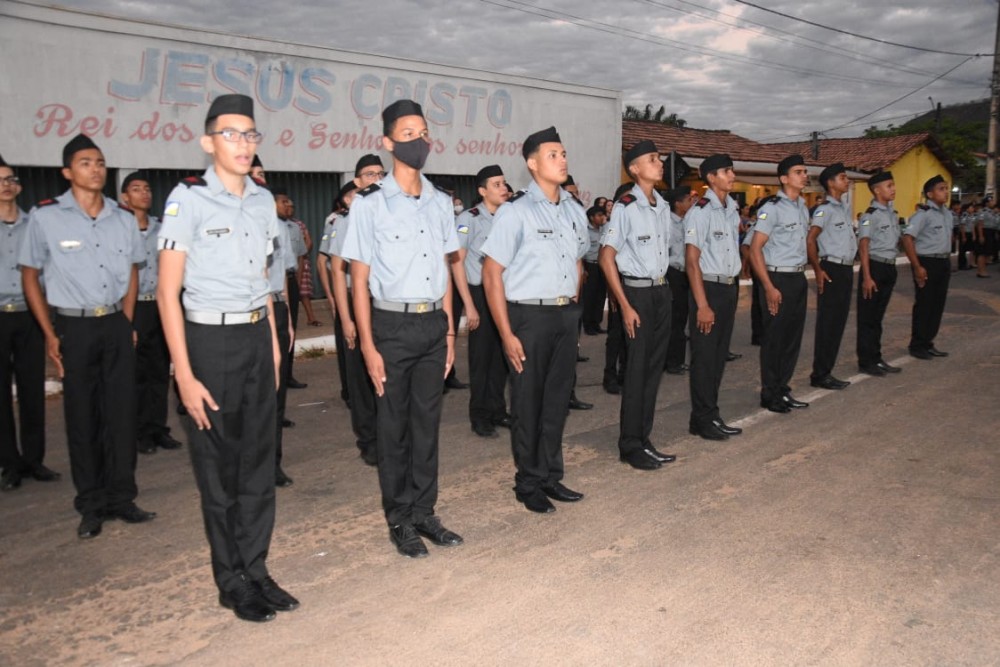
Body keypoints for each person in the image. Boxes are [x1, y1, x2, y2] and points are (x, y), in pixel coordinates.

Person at [157, 94, 298, 622]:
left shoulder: (263, 201)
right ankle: (232, 579)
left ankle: (257, 568)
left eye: (250, 134)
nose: (242, 143)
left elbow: (263, 282)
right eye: (231, 134)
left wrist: (275, 354)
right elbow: (168, 294)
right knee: (219, 473)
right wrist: (185, 375)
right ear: (208, 141)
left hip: (256, 338)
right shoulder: (186, 200)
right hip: (207, 344)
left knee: (259, 465)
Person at [340, 99, 464, 558]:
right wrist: (367, 345)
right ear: (389, 143)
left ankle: (424, 511)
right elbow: (357, 279)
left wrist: (449, 332)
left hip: (433, 323)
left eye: (424, 132)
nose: (419, 141)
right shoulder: (370, 205)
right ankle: (399, 518)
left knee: (427, 424)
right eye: (408, 134)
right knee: (393, 428)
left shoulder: (438, 202)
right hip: (390, 325)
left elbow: (449, 269)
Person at [19, 134, 154, 538]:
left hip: (114, 322)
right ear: (67, 172)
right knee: (81, 415)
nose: (95, 169)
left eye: (99, 162)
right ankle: (91, 503)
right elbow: (30, 276)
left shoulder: (122, 217)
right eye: (85, 162)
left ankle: (122, 496)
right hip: (73, 326)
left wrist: (127, 321)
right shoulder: (45, 218)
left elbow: (133, 270)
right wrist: (49, 333)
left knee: (120, 412)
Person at [481, 126, 589, 514]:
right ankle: (527, 483)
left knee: (557, 401)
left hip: (564, 314)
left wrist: (573, 307)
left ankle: (550, 476)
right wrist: (506, 331)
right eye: (553, 154)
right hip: (528, 316)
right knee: (528, 403)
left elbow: (578, 260)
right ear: (532, 163)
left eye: (564, 153)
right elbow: (491, 272)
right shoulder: (516, 211)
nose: (562, 160)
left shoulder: (574, 211)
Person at [599, 140, 676, 471]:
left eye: (659, 159)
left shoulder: (661, 206)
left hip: (661, 292)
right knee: (636, 371)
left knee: (653, 371)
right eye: (652, 160)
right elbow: (606, 257)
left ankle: (643, 439)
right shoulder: (625, 206)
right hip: (638, 294)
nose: (659, 164)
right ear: (634, 169)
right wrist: (624, 303)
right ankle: (630, 445)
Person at [0, 157, 59, 491]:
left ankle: (34, 459)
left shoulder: (34, 224)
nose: (7, 185)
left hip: (29, 315)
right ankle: (9, 462)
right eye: (1, 179)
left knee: (32, 388)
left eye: (11, 179)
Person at [121, 171, 183, 454]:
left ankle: (159, 429)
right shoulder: (119, 228)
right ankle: (139, 432)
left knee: (159, 371)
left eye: (147, 188)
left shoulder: (162, 228)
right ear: (125, 197)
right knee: (136, 373)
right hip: (132, 306)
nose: (144, 193)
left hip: (160, 305)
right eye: (136, 189)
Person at [684, 154, 744, 441]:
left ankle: (711, 414)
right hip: (707, 290)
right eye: (726, 171)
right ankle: (702, 419)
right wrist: (703, 305)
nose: (732, 175)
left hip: (728, 288)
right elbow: (692, 261)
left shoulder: (731, 208)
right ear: (710, 177)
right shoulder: (701, 211)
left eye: (732, 170)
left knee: (718, 357)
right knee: (705, 358)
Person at [748, 155, 810, 414]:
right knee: (774, 339)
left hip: (797, 277)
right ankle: (769, 393)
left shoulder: (803, 207)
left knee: (792, 338)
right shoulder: (771, 208)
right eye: (798, 171)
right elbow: (754, 249)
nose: (804, 175)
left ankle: (783, 388)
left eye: (805, 171)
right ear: (784, 179)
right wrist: (769, 286)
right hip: (777, 278)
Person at [453, 165, 509, 438]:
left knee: (502, 355)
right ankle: (480, 415)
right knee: (481, 359)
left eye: (504, 183)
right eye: (496, 184)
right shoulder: (469, 218)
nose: (503, 188)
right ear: (482, 190)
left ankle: (498, 410)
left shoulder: (511, 217)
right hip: (480, 295)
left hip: (506, 294)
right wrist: (469, 305)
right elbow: (457, 264)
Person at [328, 179, 379, 465]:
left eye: (379, 173)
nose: (375, 180)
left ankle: (386, 435)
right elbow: (337, 271)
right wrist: (345, 318)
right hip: (354, 300)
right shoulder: (343, 223)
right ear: (348, 198)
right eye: (367, 176)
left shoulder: (385, 214)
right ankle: (368, 440)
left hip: (381, 303)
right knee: (360, 377)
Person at [807, 163, 855, 390]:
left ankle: (826, 371)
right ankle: (820, 374)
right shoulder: (824, 210)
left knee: (838, 322)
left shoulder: (843, 208)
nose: (847, 181)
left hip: (845, 269)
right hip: (832, 268)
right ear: (830, 183)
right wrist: (818, 269)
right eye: (843, 178)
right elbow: (810, 239)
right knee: (828, 323)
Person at [902, 175, 953, 360]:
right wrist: (917, 267)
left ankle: (928, 342)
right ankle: (917, 345)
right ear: (930, 194)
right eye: (941, 189)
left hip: (943, 262)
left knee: (937, 305)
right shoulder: (923, 214)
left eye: (946, 188)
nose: (946, 192)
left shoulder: (947, 213)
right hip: (927, 262)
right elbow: (907, 238)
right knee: (925, 304)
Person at [856, 171, 902, 376]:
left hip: (889, 267)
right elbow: (863, 246)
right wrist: (867, 277)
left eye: (893, 185)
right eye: (889, 185)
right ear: (876, 190)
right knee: (868, 317)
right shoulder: (869, 216)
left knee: (878, 317)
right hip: (874, 268)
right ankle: (866, 361)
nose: (893, 189)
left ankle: (876, 357)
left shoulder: (893, 214)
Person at [273, 188, 309, 389]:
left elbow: (301, 257)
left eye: (290, 203)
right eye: (284, 202)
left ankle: (288, 373)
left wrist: (298, 282)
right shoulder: (267, 225)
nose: (288, 206)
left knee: (290, 330)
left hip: (290, 281)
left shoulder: (294, 228)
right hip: (273, 285)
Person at [664, 186, 695, 375]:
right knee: (674, 318)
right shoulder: (667, 223)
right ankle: (672, 361)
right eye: (688, 200)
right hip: (672, 272)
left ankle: (676, 359)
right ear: (677, 203)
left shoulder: (687, 221)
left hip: (685, 273)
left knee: (682, 317)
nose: (691, 203)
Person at [581, 205, 608, 335]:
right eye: (598, 215)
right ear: (591, 218)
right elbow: (581, 251)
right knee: (590, 297)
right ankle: (588, 325)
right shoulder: (585, 231)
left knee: (600, 295)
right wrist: (583, 269)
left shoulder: (605, 229)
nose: (602, 217)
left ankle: (597, 323)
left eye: (603, 215)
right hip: (590, 265)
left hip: (602, 265)